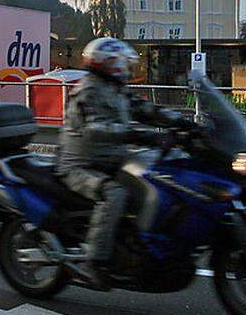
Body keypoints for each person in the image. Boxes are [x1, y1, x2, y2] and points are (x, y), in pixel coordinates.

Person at [55, 37, 194, 288]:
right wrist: (140, 135)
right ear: (109, 64)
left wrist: (183, 122)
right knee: (114, 193)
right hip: (80, 166)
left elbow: (146, 109)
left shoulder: (116, 90)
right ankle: (93, 261)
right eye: (124, 63)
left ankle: (139, 246)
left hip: (111, 161)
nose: (129, 68)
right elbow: (94, 129)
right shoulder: (86, 92)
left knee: (156, 178)